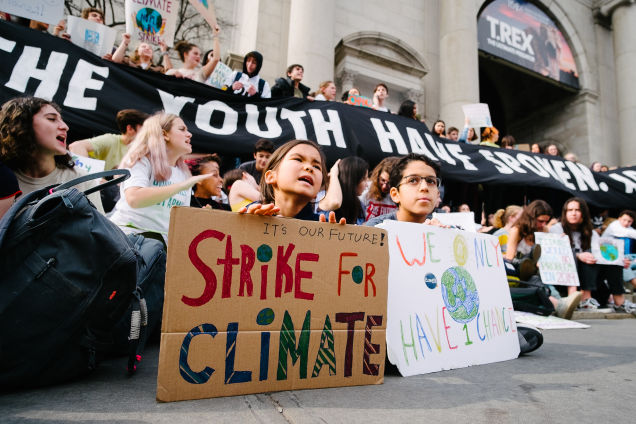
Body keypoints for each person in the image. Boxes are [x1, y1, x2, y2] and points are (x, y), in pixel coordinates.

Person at [108, 112, 210, 242]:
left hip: (159, 247)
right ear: (164, 134)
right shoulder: (141, 160)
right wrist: (180, 187)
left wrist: (201, 217)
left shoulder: (184, 174)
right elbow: (134, 198)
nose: (189, 134)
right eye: (182, 129)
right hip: (125, 240)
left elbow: (180, 220)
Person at [0, 96, 103, 213]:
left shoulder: (81, 180)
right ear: (20, 124)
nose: (65, 127)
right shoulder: (4, 178)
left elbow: (99, 224)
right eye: (51, 119)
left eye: (61, 119)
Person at [551, 199, 632, 313]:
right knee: (587, 255)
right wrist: (578, 255)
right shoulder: (557, 228)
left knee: (610, 258)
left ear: (583, 213)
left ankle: (619, 301)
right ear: (565, 213)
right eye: (570, 210)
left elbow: (601, 254)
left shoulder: (591, 232)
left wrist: (619, 260)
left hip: (591, 278)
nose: (573, 213)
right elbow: (554, 255)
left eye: (577, 210)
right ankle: (585, 299)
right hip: (565, 277)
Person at [504, 200, 580, 318]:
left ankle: (559, 304)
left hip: (540, 272)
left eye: (546, 221)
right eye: (540, 221)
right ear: (531, 218)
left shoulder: (543, 230)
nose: (543, 224)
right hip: (521, 274)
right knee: (535, 278)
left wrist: (560, 242)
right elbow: (510, 257)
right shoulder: (517, 230)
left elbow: (548, 252)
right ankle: (559, 304)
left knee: (538, 278)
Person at [240, 139, 343, 223]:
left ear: (317, 192)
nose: (309, 168)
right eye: (298, 159)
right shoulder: (252, 214)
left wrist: (330, 239)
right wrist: (246, 229)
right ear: (271, 176)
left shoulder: (321, 227)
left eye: (316, 166)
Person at [365, 153, 441, 226]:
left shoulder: (443, 230)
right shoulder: (375, 229)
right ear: (395, 194)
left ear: (438, 194)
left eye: (431, 181)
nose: (424, 187)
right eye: (413, 180)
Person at [69, 109, 149, 171]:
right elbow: (76, 146)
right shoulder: (111, 140)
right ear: (130, 128)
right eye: (144, 127)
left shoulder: (147, 148)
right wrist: (93, 178)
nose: (148, 131)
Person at [602, 210, 636, 294]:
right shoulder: (614, 226)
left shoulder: (630, 229)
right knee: (624, 266)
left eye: (629, 221)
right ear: (619, 219)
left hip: (628, 256)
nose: (626, 223)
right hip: (611, 257)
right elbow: (630, 233)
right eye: (624, 220)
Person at [328, 156, 368, 225]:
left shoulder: (360, 205)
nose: (367, 185)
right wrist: (333, 175)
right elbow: (335, 203)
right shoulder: (325, 199)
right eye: (364, 179)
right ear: (352, 180)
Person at [360, 156, 399, 222]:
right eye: (382, 180)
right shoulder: (367, 190)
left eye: (390, 183)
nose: (384, 186)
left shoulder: (401, 196)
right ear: (377, 176)